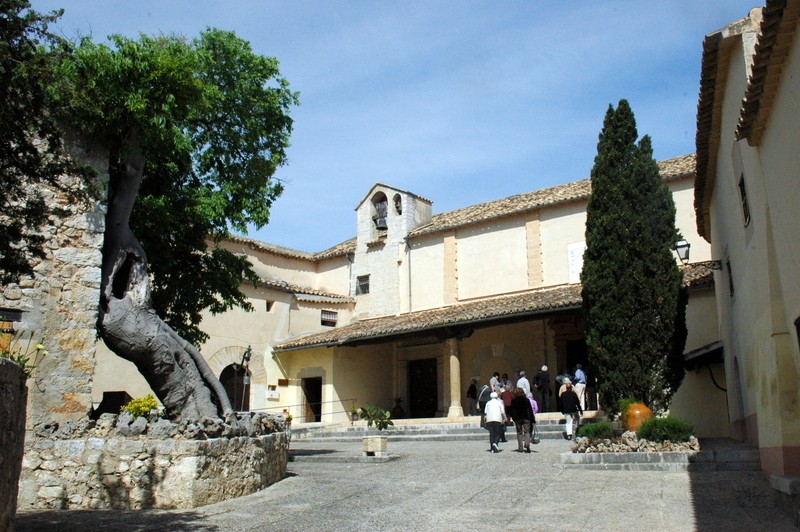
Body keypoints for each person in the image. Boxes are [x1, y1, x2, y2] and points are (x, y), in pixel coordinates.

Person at [509, 387, 536, 453]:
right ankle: (527, 444)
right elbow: (530, 410)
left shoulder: (514, 400)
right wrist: (532, 419)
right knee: (527, 431)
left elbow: (511, 410)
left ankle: (520, 448)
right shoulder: (526, 400)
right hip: (526, 417)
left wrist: (513, 417)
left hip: (517, 418)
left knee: (519, 433)